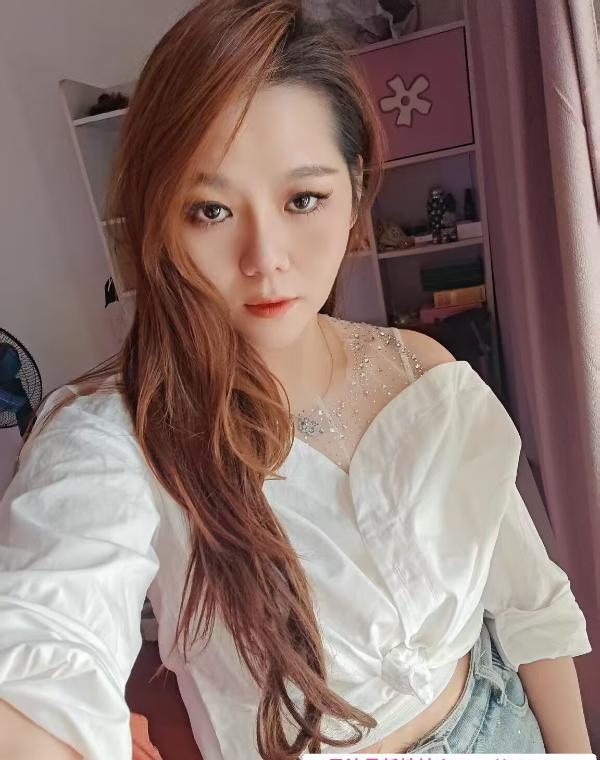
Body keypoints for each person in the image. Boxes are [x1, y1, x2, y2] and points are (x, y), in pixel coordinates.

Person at [0, 1, 593, 758]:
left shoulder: (426, 375)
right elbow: (44, 642)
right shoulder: (117, 437)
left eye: (303, 199)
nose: (265, 259)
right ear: (159, 222)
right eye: (210, 210)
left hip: (504, 726)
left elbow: (530, 605)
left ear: (355, 189)